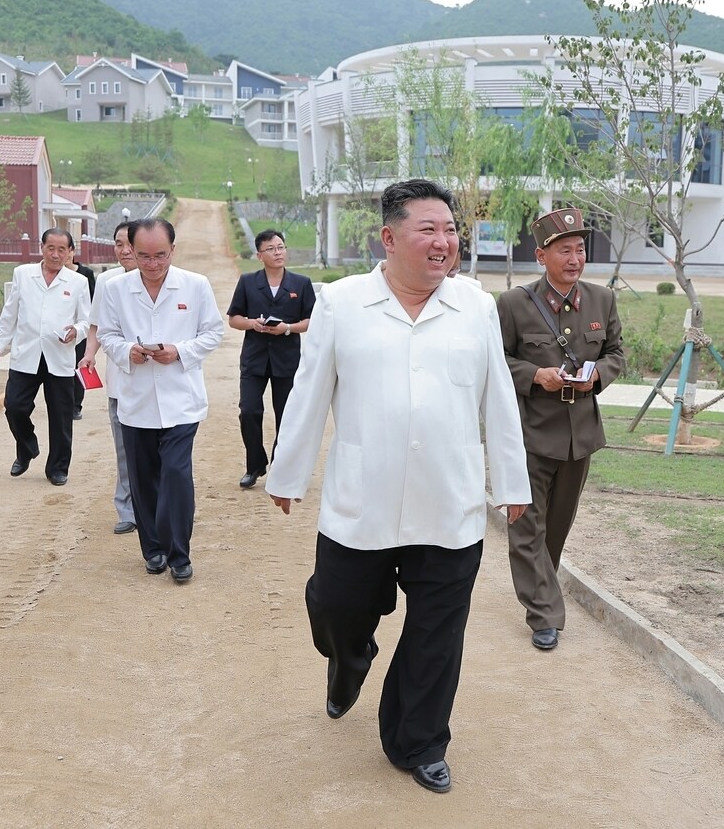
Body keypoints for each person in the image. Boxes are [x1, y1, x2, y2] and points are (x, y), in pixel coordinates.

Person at [266, 178, 530, 794]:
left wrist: (510, 482)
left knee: (438, 630)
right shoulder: (341, 302)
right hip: (363, 499)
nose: (444, 242)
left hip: (449, 501)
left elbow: (498, 398)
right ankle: (350, 656)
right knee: (337, 606)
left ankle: (419, 740)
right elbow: (309, 392)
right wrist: (288, 472)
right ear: (389, 238)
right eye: (428, 230)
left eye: (450, 231)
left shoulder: (476, 307)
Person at [496, 207, 625, 651]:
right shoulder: (513, 304)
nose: (575, 259)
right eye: (564, 250)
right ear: (541, 256)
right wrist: (536, 375)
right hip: (531, 432)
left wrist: (598, 375)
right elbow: (497, 360)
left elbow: (616, 353)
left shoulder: (602, 299)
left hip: (579, 435)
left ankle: (541, 589)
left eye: (580, 250)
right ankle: (544, 613)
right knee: (526, 526)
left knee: (556, 527)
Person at [96, 218, 224, 582]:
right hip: (135, 399)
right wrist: (128, 351)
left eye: (161, 255)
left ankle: (179, 553)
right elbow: (107, 334)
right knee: (143, 477)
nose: (153, 264)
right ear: (131, 252)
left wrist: (179, 351)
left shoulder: (195, 285)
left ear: (173, 250)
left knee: (176, 474)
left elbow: (213, 332)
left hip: (181, 399)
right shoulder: (115, 288)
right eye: (144, 256)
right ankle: (153, 549)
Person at [0, 228, 91, 486]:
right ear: (41, 247)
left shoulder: (78, 282)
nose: (55, 254)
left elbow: (86, 321)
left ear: (70, 252)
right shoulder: (23, 274)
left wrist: (76, 332)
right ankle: (26, 448)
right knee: (15, 406)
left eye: (61, 250)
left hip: (59, 356)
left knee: (61, 416)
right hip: (27, 354)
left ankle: (58, 467)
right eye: (50, 248)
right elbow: (10, 313)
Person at [225, 228, 315, 489]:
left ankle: (280, 466)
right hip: (254, 358)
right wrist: (252, 323)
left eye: (281, 247)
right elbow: (234, 319)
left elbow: (312, 320)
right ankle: (255, 465)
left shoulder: (301, 283)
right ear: (259, 255)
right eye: (271, 249)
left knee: (286, 416)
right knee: (249, 411)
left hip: (287, 359)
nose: (278, 253)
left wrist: (287, 328)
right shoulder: (248, 282)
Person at [77, 221, 138, 534]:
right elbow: (96, 325)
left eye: (130, 244)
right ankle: (127, 509)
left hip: (157, 380)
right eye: (118, 244)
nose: (124, 251)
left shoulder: (163, 280)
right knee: (125, 449)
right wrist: (89, 354)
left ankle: (162, 505)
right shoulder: (106, 281)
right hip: (120, 380)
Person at [65, 238, 97, 421]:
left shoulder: (85, 274)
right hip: (61, 330)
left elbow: (92, 300)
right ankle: (64, 404)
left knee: (79, 366)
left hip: (81, 328)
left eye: (66, 250)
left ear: (72, 251)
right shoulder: (55, 276)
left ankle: (76, 405)